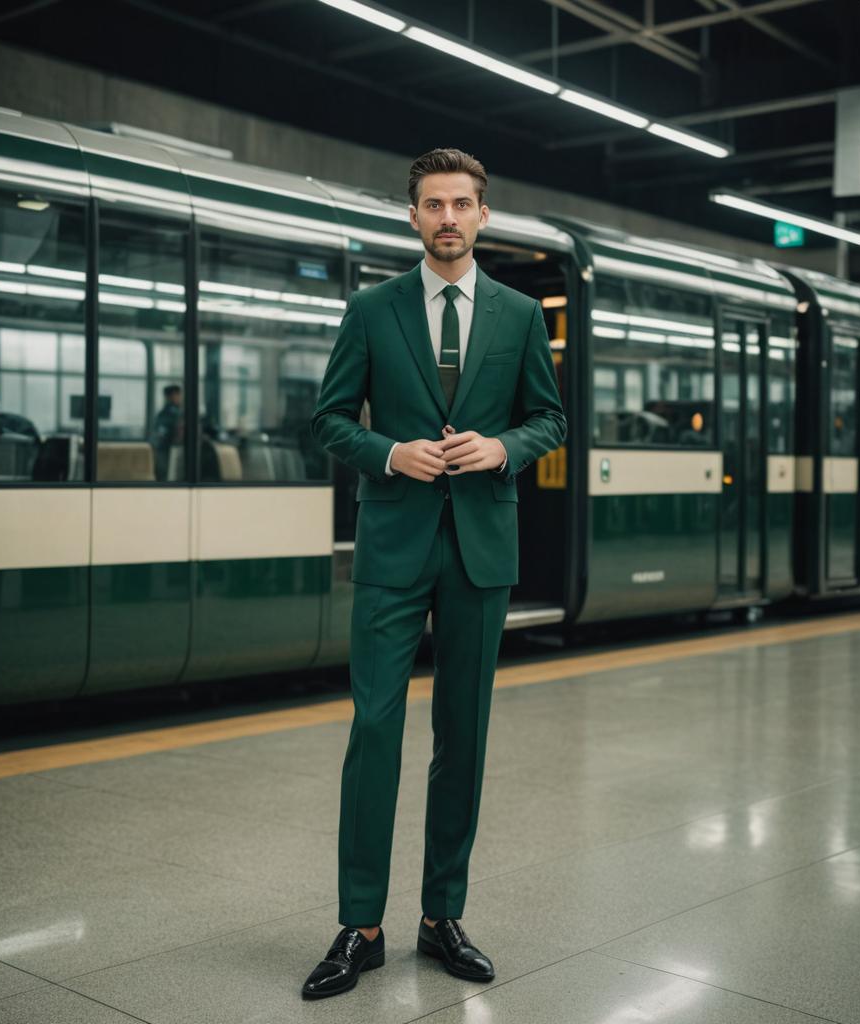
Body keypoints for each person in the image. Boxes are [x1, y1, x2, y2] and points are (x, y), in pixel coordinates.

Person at [303, 148, 566, 999]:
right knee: (374, 729)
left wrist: (501, 448)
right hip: (392, 545)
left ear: (482, 215)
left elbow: (550, 419)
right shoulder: (372, 310)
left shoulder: (521, 315)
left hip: (481, 546)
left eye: (461, 203)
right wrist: (387, 453)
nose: (447, 217)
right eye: (432, 204)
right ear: (412, 216)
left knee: (464, 736)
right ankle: (360, 925)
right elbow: (330, 420)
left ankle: (440, 915)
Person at [152, 383, 184, 480]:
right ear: (169, 397)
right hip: (167, 450)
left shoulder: (171, 412)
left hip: (169, 449)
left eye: (179, 394)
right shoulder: (170, 414)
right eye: (177, 395)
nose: (179, 397)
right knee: (167, 477)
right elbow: (161, 435)